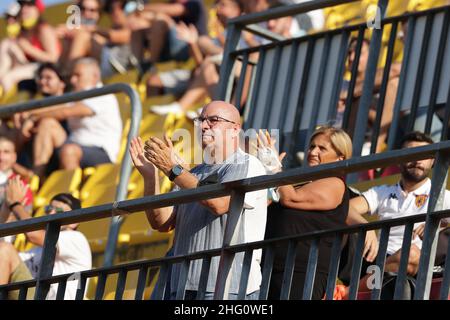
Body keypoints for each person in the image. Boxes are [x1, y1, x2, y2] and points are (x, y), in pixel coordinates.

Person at [130, 100, 267, 299]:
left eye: (213, 120)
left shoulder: (247, 163)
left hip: (227, 285)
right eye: (201, 120)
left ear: (235, 129)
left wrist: (173, 170)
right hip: (182, 285)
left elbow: (219, 203)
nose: (203, 126)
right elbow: (161, 222)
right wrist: (151, 177)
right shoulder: (190, 174)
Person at [345, 131, 450, 296]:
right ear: (399, 160)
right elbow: (347, 208)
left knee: (411, 254)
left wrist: (439, 224)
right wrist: (366, 227)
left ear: (433, 161)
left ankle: (348, 293)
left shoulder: (442, 196)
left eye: (424, 155)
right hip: (377, 258)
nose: (417, 160)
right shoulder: (383, 192)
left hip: (417, 262)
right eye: (411, 154)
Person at [262, 125, 353, 300]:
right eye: (312, 146)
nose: (313, 151)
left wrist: (274, 168)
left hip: (302, 272)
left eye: (322, 148)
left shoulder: (335, 183)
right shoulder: (300, 182)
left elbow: (291, 198)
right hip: (270, 267)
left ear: (340, 158)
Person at [24, 58, 122, 177]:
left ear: (95, 76)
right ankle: (36, 177)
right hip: (74, 145)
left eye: (78, 75)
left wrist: (33, 117)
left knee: (69, 151)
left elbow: (66, 112)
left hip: (101, 151)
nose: (72, 80)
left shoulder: (103, 95)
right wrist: (29, 115)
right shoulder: (77, 96)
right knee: (47, 123)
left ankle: (68, 193)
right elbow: (53, 109)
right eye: (72, 75)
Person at [0, 189, 91, 300]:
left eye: (59, 211)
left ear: (73, 223)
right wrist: (6, 206)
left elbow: (32, 234)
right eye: (48, 208)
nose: (51, 213)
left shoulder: (77, 239)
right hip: (34, 294)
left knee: (6, 250)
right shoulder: (37, 250)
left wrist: (15, 204)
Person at [0, 0, 60, 98]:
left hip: (45, 69)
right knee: (6, 44)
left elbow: (53, 59)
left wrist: (27, 48)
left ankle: (7, 109)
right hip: (28, 69)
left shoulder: (43, 29)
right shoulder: (22, 33)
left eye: (29, 5)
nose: (24, 9)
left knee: (9, 77)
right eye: (22, 5)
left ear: (37, 8)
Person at [0, 136, 34, 244]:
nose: (1, 157)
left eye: (6, 152)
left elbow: (19, 218)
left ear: (14, 157)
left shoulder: (20, 186)